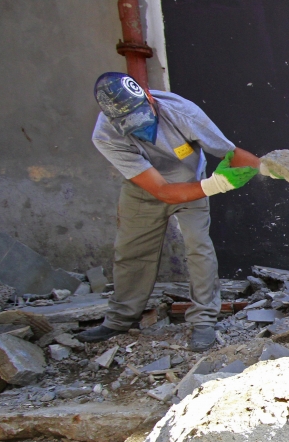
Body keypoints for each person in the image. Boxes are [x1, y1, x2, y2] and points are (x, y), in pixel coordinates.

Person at [77, 72, 277, 351]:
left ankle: (204, 320)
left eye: (140, 116)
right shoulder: (106, 135)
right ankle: (119, 320)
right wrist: (214, 185)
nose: (139, 127)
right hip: (144, 189)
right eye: (129, 124)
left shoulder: (182, 112)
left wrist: (266, 168)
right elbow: (160, 190)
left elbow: (228, 152)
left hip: (190, 181)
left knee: (198, 245)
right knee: (131, 251)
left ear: (148, 96)